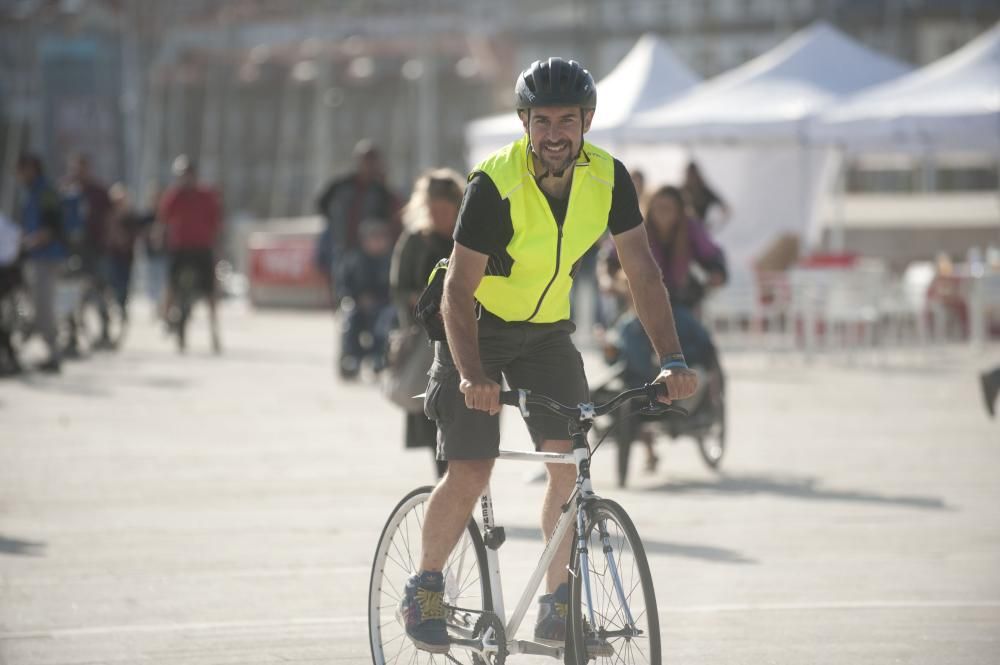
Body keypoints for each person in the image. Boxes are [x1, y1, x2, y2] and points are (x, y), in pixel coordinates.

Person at [399, 57, 697, 654]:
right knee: (472, 468)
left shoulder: (608, 178)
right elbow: (457, 291)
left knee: (571, 465)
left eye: (567, 119)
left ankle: (556, 605)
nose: (554, 133)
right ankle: (425, 584)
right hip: (476, 327)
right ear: (524, 122)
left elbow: (640, 270)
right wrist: (472, 375)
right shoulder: (494, 184)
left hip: (545, 334)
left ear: (587, 121)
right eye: (542, 121)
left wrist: (671, 358)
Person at [599, 185, 727, 472]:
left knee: (699, 340)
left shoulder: (692, 231)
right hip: (638, 306)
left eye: (670, 209)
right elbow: (608, 260)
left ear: (681, 211)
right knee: (624, 341)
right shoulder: (635, 226)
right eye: (659, 209)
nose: (664, 215)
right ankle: (639, 389)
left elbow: (713, 255)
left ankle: (697, 384)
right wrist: (610, 282)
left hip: (678, 303)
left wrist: (717, 273)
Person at [389, 169, 465, 478]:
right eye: (433, 210)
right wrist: (423, 300)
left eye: (444, 211)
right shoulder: (414, 240)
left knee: (469, 422)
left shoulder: (468, 236)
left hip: (469, 335)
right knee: (434, 420)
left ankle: (457, 485)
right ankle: (445, 485)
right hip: (427, 341)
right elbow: (397, 288)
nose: (438, 217)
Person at [314, 140, 400, 305]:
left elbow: (393, 213)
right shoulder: (342, 184)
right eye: (365, 160)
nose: (368, 165)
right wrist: (337, 223)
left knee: (369, 291)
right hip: (342, 244)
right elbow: (322, 203)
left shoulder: (380, 190)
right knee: (342, 288)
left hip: (369, 251)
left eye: (372, 161)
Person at [157, 155, 224, 353]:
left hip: (202, 247)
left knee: (210, 290)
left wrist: (217, 246)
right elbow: (163, 220)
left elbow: (216, 223)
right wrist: (160, 238)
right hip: (180, 248)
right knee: (172, 283)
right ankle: (168, 317)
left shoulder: (206, 195)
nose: (185, 179)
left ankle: (214, 331)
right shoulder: (174, 196)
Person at [15, 153, 66, 373]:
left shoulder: (45, 191)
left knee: (43, 307)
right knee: (34, 305)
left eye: (21, 170)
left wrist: (28, 242)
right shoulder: (31, 192)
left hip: (47, 257)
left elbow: (51, 226)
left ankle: (53, 355)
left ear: (32, 169)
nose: (18, 175)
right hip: (35, 257)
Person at [62, 153, 114, 351]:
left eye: (82, 167)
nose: (79, 172)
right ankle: (71, 334)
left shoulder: (99, 191)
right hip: (71, 249)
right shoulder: (65, 188)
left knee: (98, 289)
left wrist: (108, 240)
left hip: (95, 247)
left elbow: (109, 218)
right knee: (69, 291)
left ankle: (105, 331)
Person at [336, 218, 395, 379]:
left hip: (384, 305)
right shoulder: (354, 260)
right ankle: (351, 357)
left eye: (380, 238)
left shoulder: (392, 261)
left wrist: (381, 300)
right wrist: (357, 298)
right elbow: (343, 285)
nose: (376, 242)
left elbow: (396, 287)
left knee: (387, 319)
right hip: (358, 305)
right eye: (372, 238)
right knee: (349, 316)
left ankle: (379, 356)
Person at [105, 183, 142, 322]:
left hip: (126, 256)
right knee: (112, 281)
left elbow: (135, 235)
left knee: (124, 283)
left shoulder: (130, 217)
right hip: (112, 255)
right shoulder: (110, 216)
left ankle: (121, 306)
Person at [0, 211, 23, 375]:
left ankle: (10, 358)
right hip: (8, 274)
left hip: (4, 276)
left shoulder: (3, 223)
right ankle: (10, 358)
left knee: (4, 320)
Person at [682, 160, 729, 229]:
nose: (692, 178)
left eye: (693, 174)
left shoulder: (705, 191)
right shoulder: (682, 191)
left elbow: (725, 208)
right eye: (690, 174)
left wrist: (715, 223)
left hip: (700, 229)